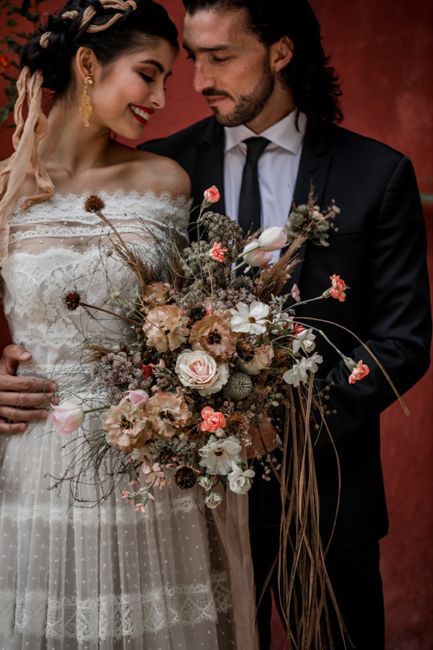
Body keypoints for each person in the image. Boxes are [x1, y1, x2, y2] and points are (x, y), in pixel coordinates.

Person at [139, 1, 433, 649]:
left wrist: (295, 422)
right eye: (195, 57)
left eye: (222, 56)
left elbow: (402, 341)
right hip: (192, 502)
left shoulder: (375, 174)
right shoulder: (157, 170)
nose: (199, 80)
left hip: (328, 498)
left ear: (280, 52)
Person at [0, 0, 259, 648]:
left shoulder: (163, 182)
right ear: (87, 65)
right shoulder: (4, 190)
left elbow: (189, 317)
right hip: (32, 463)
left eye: (166, 79)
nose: (161, 96)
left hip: (143, 466)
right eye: (148, 73)